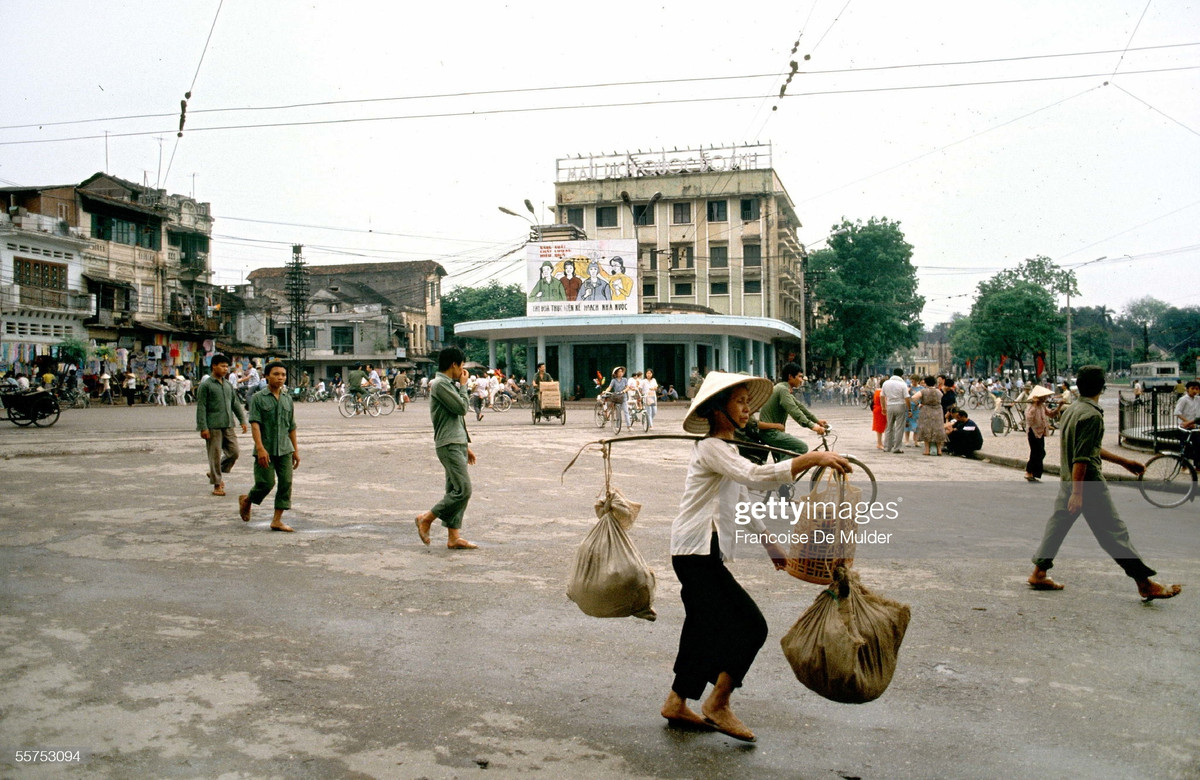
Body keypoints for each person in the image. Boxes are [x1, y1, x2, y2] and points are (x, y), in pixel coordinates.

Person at [660, 371, 850, 742]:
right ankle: (718, 703)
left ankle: (676, 702)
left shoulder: (726, 450)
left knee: (701, 626)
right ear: (718, 411)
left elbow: (741, 497)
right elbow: (754, 476)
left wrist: (769, 543)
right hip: (694, 551)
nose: (748, 409)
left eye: (749, 402)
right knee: (751, 625)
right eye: (740, 402)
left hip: (699, 550)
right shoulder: (712, 447)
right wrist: (810, 458)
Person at [1028, 366, 1181, 601]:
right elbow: (1083, 457)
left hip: (1069, 480)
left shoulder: (1072, 410)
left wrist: (1123, 462)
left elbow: (1088, 448)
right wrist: (1079, 494)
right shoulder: (1092, 415)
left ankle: (1039, 571)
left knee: (1057, 526)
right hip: (1087, 484)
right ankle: (1144, 582)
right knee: (1114, 532)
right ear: (1102, 387)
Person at [415, 347, 479, 550]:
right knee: (463, 490)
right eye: (461, 365)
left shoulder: (447, 384)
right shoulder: (440, 384)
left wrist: (465, 444)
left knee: (454, 489)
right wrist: (463, 386)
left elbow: (456, 418)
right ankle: (426, 518)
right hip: (448, 443)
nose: (462, 370)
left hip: (456, 442)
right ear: (454, 365)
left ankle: (453, 537)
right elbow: (461, 408)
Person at [238, 362, 300, 533]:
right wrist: (260, 448)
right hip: (265, 448)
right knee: (265, 483)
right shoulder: (258, 398)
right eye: (276, 374)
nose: (280, 378)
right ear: (266, 376)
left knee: (286, 483)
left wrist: (295, 450)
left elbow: (291, 426)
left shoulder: (287, 398)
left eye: (283, 374)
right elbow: (255, 424)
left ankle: (277, 520)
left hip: (285, 449)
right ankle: (247, 500)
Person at [196, 354, 249, 497]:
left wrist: (242, 420)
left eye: (227, 366)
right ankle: (217, 484)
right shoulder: (206, 385)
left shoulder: (228, 385)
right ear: (214, 366)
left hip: (228, 424)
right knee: (214, 455)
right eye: (222, 366)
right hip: (213, 426)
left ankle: (214, 472)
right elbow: (201, 407)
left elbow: (235, 404)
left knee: (234, 452)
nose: (225, 369)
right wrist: (203, 427)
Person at [754, 362, 825, 457]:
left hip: (772, 433)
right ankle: (780, 471)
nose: (801, 380)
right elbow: (794, 410)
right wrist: (812, 426)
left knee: (784, 457)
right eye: (799, 377)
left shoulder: (782, 388)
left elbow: (800, 407)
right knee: (802, 447)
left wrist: (817, 421)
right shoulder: (782, 389)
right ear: (790, 377)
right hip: (771, 434)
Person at [1024, 385, 1059, 482]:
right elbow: (1029, 419)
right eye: (1044, 397)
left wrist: (1059, 406)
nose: (1045, 399)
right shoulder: (1031, 406)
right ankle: (1029, 472)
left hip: (1040, 432)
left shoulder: (1042, 406)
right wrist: (1034, 404)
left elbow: (1051, 414)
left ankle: (1033, 473)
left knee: (1039, 452)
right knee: (1037, 452)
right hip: (1033, 431)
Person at [913, 376, 946, 456]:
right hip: (938, 410)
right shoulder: (938, 391)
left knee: (926, 428)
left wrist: (919, 404)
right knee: (938, 429)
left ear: (926, 383)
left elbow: (914, 397)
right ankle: (939, 450)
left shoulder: (923, 391)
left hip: (926, 410)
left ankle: (927, 450)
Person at [881, 368, 909, 453]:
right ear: (901, 375)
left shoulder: (886, 383)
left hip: (889, 405)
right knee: (899, 427)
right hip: (900, 405)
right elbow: (906, 397)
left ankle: (887, 447)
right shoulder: (902, 384)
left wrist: (883, 407)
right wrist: (909, 409)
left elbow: (882, 396)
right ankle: (897, 448)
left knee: (889, 427)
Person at [1173, 380, 1200, 463]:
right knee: (1185, 446)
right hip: (1185, 427)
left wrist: (1193, 423)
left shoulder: (1198, 399)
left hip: (1194, 427)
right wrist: (1187, 422)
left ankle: (1197, 465)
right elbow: (1177, 412)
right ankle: (1184, 464)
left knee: (1197, 446)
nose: (1195, 391)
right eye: (1192, 389)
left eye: (1197, 389)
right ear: (1187, 389)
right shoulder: (1183, 399)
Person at [602, 366, 631, 430]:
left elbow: (627, 387)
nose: (621, 373)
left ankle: (629, 426)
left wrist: (624, 391)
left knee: (626, 411)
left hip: (623, 397)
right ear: (616, 373)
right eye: (619, 372)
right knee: (618, 413)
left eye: (621, 371)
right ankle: (618, 426)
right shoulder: (613, 380)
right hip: (617, 397)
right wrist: (606, 391)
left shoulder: (625, 379)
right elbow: (610, 387)